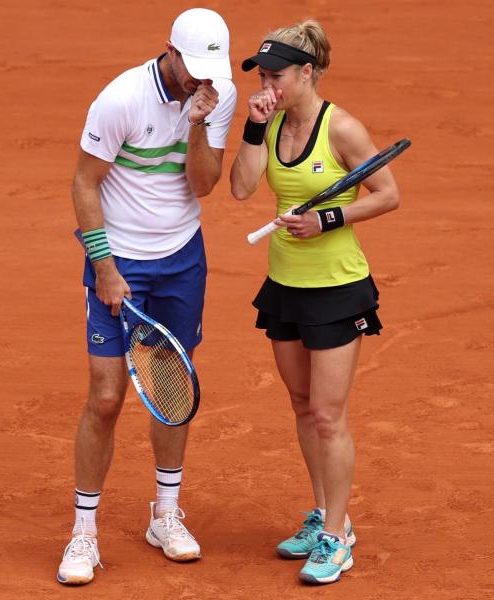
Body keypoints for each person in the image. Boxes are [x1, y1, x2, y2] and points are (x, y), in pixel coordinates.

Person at [57, 8, 236, 585]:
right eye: (193, 68)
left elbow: (203, 185)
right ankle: (83, 533)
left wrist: (203, 123)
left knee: (169, 386)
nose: (200, 79)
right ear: (170, 51)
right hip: (121, 259)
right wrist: (104, 267)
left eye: (211, 69)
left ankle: (165, 514)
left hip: (182, 258)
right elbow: (85, 183)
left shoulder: (216, 95)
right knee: (106, 397)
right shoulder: (120, 99)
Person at [230, 20, 400, 585]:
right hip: (285, 285)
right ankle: (325, 512)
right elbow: (241, 188)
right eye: (263, 76)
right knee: (303, 407)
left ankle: (336, 534)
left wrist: (327, 217)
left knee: (328, 416)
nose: (268, 85)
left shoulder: (343, 129)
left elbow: (388, 194)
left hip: (337, 287)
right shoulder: (271, 122)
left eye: (277, 75)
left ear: (307, 72)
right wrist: (253, 129)